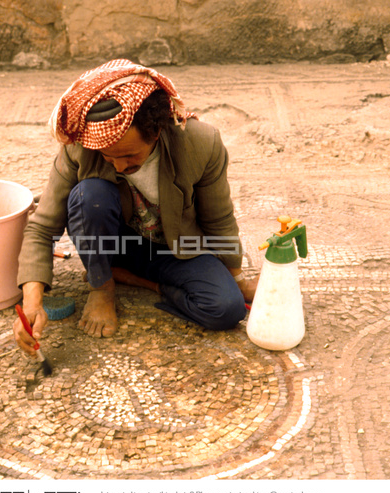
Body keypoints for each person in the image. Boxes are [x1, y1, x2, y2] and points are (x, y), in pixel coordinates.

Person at [13, 59, 257, 357]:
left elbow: (219, 219)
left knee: (226, 309)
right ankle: (102, 285)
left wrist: (237, 280)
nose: (118, 166)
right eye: (108, 157)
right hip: (114, 245)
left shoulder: (200, 143)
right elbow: (42, 228)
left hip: (176, 248)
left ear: (155, 132)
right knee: (90, 195)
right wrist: (32, 303)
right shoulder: (81, 147)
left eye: (128, 155)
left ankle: (136, 279)